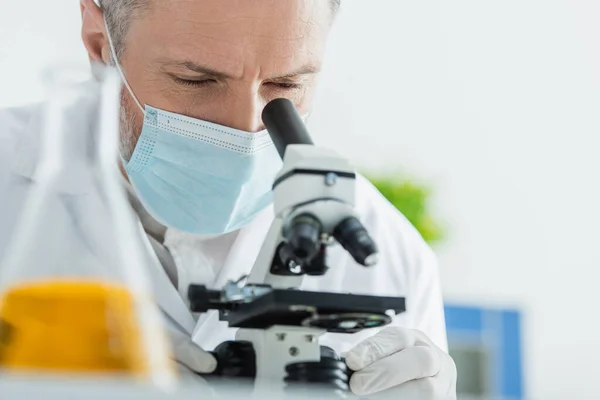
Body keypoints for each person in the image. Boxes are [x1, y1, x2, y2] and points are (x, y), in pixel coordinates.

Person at [0, 0, 456, 397]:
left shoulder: (393, 249)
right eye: (195, 81)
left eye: (285, 87)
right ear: (101, 45)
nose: (243, 129)